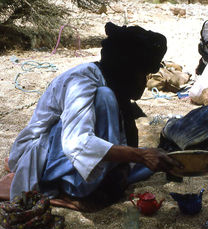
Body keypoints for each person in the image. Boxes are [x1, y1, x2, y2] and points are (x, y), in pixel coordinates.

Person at [7, 22, 181, 206]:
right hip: (44, 157)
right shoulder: (82, 82)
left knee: (146, 163)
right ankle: (72, 187)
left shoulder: (111, 84)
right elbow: (77, 143)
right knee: (105, 99)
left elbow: (124, 140)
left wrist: (143, 156)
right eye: (143, 73)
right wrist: (141, 155)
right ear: (127, 69)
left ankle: (102, 178)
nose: (144, 82)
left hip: (66, 151)